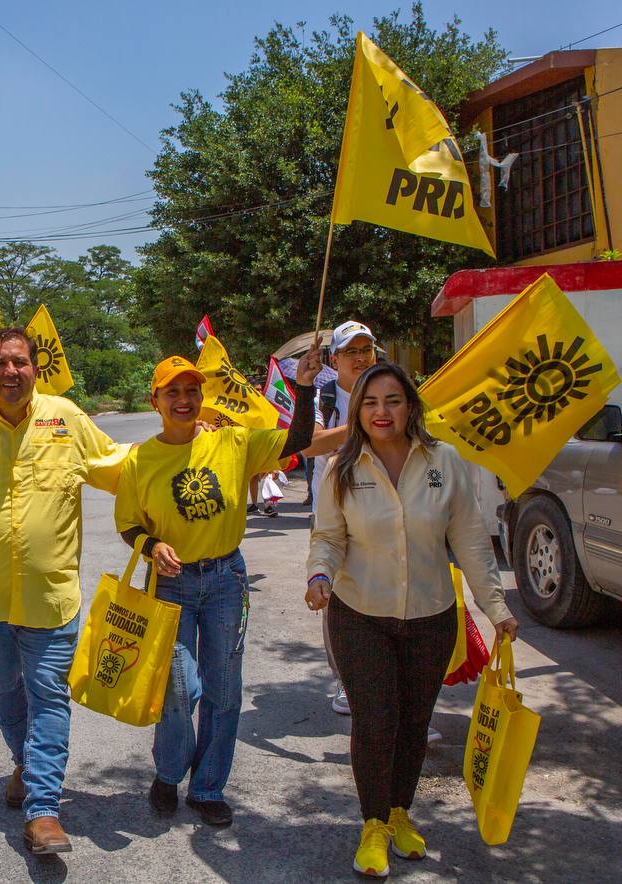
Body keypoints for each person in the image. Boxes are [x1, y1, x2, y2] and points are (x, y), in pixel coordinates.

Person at [305, 362, 518, 878]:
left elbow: (469, 539)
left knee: (413, 725)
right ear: (358, 410)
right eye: (372, 402)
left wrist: (497, 609)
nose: (382, 412)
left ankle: (401, 813)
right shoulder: (343, 467)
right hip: (361, 617)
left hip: (432, 618)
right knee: (376, 722)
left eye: (393, 400)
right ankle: (373, 823)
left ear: (410, 406)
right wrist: (319, 575)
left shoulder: (444, 461)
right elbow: (329, 537)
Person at [0, 327, 128, 855]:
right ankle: (27, 761)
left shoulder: (65, 417)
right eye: (0, 363)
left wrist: (186, 443)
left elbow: (122, 466)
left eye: (20, 362)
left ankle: (44, 811)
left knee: (48, 696)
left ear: (35, 369)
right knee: (3, 688)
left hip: (51, 596)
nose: (10, 372)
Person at [114, 343, 321, 826]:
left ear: (201, 396)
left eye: (191, 390)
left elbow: (297, 441)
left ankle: (207, 787)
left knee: (225, 691)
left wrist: (306, 388)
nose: (183, 400)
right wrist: (151, 546)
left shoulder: (232, 442)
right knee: (180, 689)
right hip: (172, 585)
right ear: (155, 402)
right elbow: (129, 524)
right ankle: (168, 772)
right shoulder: (139, 460)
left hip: (227, 579)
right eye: (172, 393)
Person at [302, 320, 378, 719]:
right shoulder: (323, 394)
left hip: (382, 508)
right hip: (332, 510)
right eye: (352, 351)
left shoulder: (387, 390)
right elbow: (311, 443)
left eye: (367, 350)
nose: (362, 358)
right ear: (336, 358)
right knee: (333, 596)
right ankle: (346, 680)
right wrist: (370, 426)